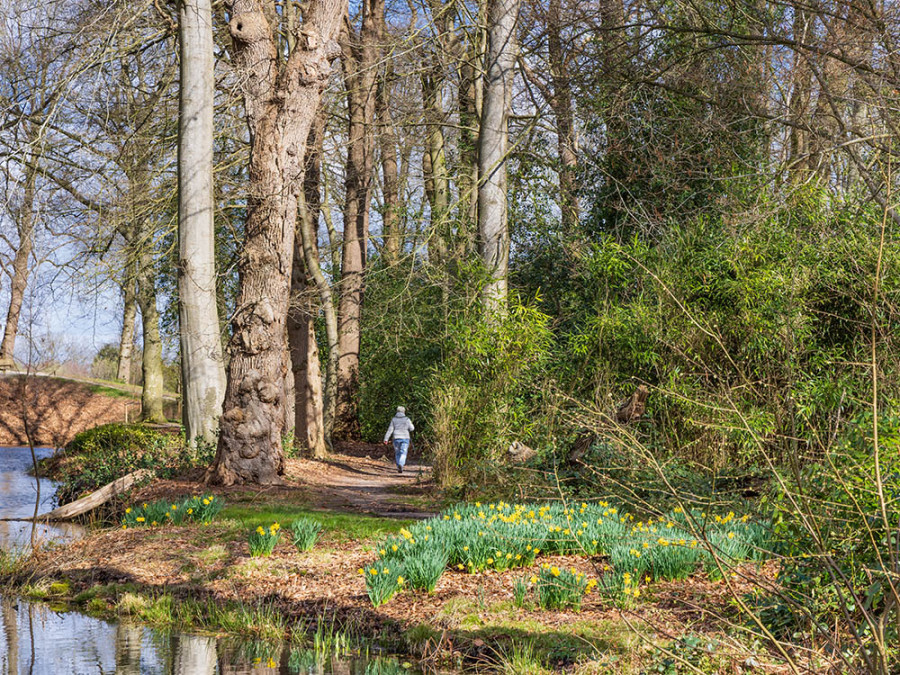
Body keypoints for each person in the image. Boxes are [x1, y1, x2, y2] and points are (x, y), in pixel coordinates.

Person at [383, 406, 414, 473]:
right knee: (403, 452)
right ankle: (401, 464)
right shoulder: (407, 419)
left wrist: (386, 439)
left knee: (397, 453)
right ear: (404, 411)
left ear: (397, 411)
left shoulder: (394, 419)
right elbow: (412, 428)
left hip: (396, 438)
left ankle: (398, 466)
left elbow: (390, 430)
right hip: (405, 438)